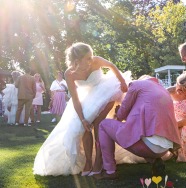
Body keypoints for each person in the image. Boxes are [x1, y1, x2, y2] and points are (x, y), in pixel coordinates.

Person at [33, 42, 128, 176]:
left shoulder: (96, 61)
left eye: (91, 56)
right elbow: (76, 99)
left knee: (98, 123)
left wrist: (122, 82)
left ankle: (99, 159)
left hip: (105, 91)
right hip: (88, 97)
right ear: (77, 61)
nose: (91, 59)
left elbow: (112, 66)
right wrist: (82, 118)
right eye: (88, 58)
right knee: (83, 125)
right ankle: (88, 161)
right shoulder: (69, 73)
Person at [95, 76, 181, 179]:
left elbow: (122, 113)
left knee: (104, 125)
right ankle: (155, 160)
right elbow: (142, 117)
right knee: (146, 134)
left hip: (146, 147)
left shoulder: (136, 85)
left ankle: (110, 170)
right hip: (165, 149)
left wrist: (118, 111)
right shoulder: (163, 90)